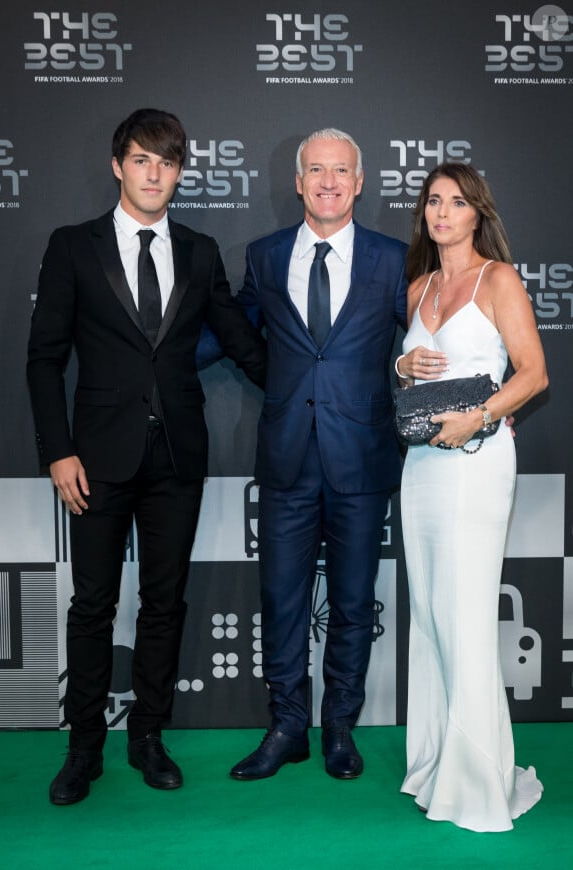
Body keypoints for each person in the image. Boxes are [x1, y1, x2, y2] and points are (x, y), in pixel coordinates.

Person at [26, 108, 266, 805]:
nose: (153, 172)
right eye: (140, 159)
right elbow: (45, 360)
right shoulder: (73, 246)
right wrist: (57, 452)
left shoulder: (199, 249)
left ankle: (148, 739)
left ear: (181, 171)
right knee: (93, 604)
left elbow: (240, 344)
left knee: (165, 604)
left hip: (177, 458)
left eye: (166, 161)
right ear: (118, 166)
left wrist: (312, 385)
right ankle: (83, 751)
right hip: (95, 460)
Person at [229, 128, 408, 781]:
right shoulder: (267, 254)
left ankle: (339, 729)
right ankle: (285, 727)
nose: (328, 181)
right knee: (281, 597)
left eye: (341, 171)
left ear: (359, 183)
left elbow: (427, 335)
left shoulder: (395, 258)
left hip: (362, 458)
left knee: (354, 602)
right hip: (285, 458)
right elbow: (236, 331)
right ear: (298, 182)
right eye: (315, 171)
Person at [395, 162, 547, 831]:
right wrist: (400, 365)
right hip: (421, 466)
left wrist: (480, 416)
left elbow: (535, 373)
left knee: (463, 610)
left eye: (456, 202)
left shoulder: (498, 279)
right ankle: (435, 763)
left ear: (477, 213)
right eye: (433, 201)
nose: (442, 212)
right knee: (429, 609)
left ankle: (477, 777)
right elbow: (415, 378)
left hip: (477, 461)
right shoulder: (418, 287)